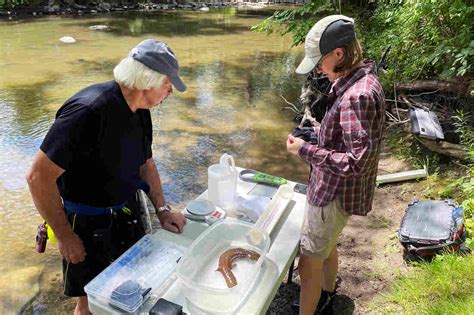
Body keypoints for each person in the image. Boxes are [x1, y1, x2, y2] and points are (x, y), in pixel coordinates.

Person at [26, 39, 188, 315]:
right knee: (90, 303)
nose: (171, 90)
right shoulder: (87, 111)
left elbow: (146, 164)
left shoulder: (140, 111)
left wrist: (162, 209)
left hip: (127, 211)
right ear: (148, 81)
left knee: (132, 290)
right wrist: (65, 236)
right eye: (168, 83)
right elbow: (37, 178)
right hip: (85, 223)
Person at [286, 15, 386, 315]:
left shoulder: (357, 96)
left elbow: (357, 162)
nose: (318, 67)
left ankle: (309, 308)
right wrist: (317, 135)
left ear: (339, 54)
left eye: (320, 60)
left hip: (331, 194)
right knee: (327, 246)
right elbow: (348, 140)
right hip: (334, 192)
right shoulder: (357, 81)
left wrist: (306, 150)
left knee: (309, 261)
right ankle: (326, 295)